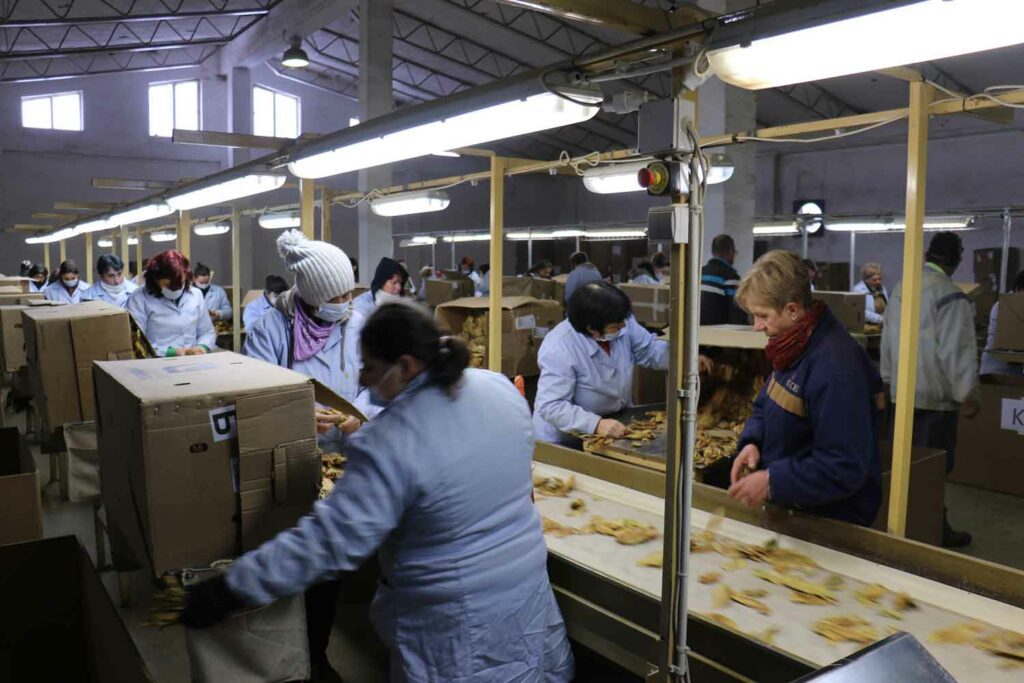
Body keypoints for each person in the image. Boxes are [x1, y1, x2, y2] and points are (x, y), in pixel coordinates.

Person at [182, 301, 575, 682]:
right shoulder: (498, 388)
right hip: (528, 596)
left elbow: (328, 542)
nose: (364, 380)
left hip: (457, 623)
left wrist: (233, 588)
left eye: (370, 367)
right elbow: (519, 481)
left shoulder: (391, 440)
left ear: (405, 365)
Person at [728, 250, 883, 526]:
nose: (757, 326)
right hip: (793, 506)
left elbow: (843, 466)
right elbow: (766, 402)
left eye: (762, 315)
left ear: (793, 310)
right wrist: (753, 442)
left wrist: (773, 480)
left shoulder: (836, 370)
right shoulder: (792, 346)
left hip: (830, 521)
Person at [881, 231, 977, 548]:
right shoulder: (950, 295)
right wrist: (967, 394)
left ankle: (901, 527)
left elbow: (888, 338)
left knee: (901, 467)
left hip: (902, 396)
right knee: (933, 469)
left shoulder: (901, 288)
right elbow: (957, 350)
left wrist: (888, 379)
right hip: (936, 402)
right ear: (956, 261)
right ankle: (932, 529)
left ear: (927, 256)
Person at [533, 281, 671, 445]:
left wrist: (683, 357)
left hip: (616, 420)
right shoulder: (559, 348)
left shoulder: (620, 319)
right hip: (566, 438)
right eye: (615, 327)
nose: (623, 327)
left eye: (624, 321)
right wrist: (595, 424)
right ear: (592, 329)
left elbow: (648, 349)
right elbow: (552, 406)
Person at [244, 230, 365, 412]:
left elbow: (376, 385)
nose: (342, 304)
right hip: (293, 428)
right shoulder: (269, 329)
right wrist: (300, 414)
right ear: (312, 297)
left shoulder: (357, 324)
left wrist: (359, 412)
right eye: (333, 298)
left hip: (348, 429)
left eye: (347, 295)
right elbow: (256, 392)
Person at [126, 250, 216, 357]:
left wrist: (203, 347)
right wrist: (172, 352)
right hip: (157, 362)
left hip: (192, 360)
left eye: (180, 284)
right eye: (169, 286)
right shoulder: (139, 298)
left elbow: (207, 331)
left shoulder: (196, 295)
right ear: (156, 279)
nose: (175, 290)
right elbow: (136, 341)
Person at [980, 269, 1024, 376]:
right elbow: (1012, 343)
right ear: (1019, 288)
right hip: (997, 371)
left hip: (1015, 373)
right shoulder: (1004, 307)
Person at [700, 235, 748, 325]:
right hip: (718, 331)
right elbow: (737, 314)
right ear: (731, 251)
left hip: (696, 330)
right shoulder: (731, 277)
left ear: (713, 252)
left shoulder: (698, 273)